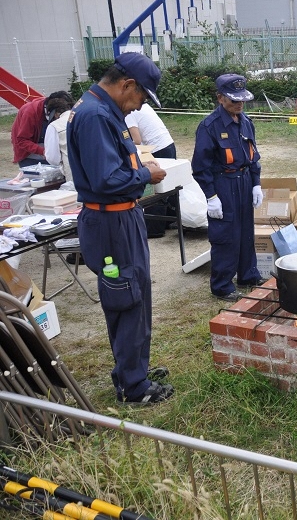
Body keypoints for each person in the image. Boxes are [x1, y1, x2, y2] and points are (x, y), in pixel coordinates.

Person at [67, 52, 173, 405]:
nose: (137, 106)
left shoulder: (105, 110)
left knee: (136, 293)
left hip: (122, 215)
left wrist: (139, 167)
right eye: (141, 98)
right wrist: (147, 174)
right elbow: (107, 178)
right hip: (110, 221)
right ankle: (133, 386)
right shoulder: (95, 115)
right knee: (126, 298)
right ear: (127, 85)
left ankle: (134, 369)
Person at [191, 74, 264, 301]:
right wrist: (211, 196)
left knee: (245, 231)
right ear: (220, 98)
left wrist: (256, 184)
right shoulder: (209, 127)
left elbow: (253, 157)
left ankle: (248, 274)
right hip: (223, 184)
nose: (239, 105)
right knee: (225, 234)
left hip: (243, 181)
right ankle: (222, 284)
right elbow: (200, 167)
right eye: (234, 100)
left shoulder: (246, 122)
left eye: (242, 100)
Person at [125, 103, 178, 238]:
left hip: (157, 148)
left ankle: (156, 228)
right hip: (167, 143)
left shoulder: (128, 112)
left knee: (157, 189)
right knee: (169, 186)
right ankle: (170, 221)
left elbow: (136, 139)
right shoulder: (142, 104)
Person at [12, 91, 73, 168]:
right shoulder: (30, 112)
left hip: (48, 151)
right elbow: (22, 141)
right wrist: (43, 151)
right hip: (29, 155)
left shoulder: (57, 108)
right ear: (52, 111)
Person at [43, 97, 75, 183]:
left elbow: (53, 158)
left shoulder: (54, 126)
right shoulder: (82, 116)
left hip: (73, 170)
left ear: (55, 114)